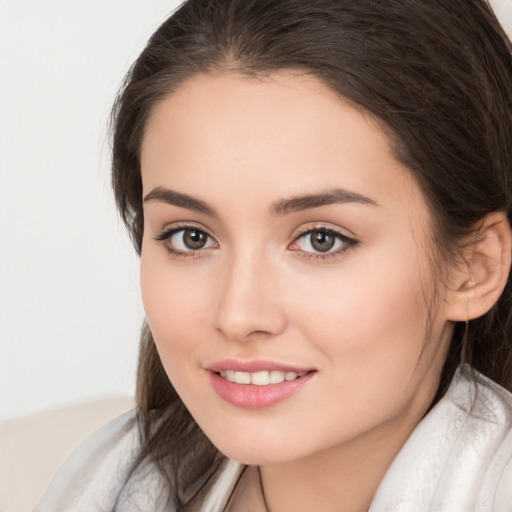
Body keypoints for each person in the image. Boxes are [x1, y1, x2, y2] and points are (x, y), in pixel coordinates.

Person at [35, 0, 512, 510]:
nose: (238, 315)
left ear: (473, 269)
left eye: (320, 239)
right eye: (190, 237)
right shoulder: (94, 484)